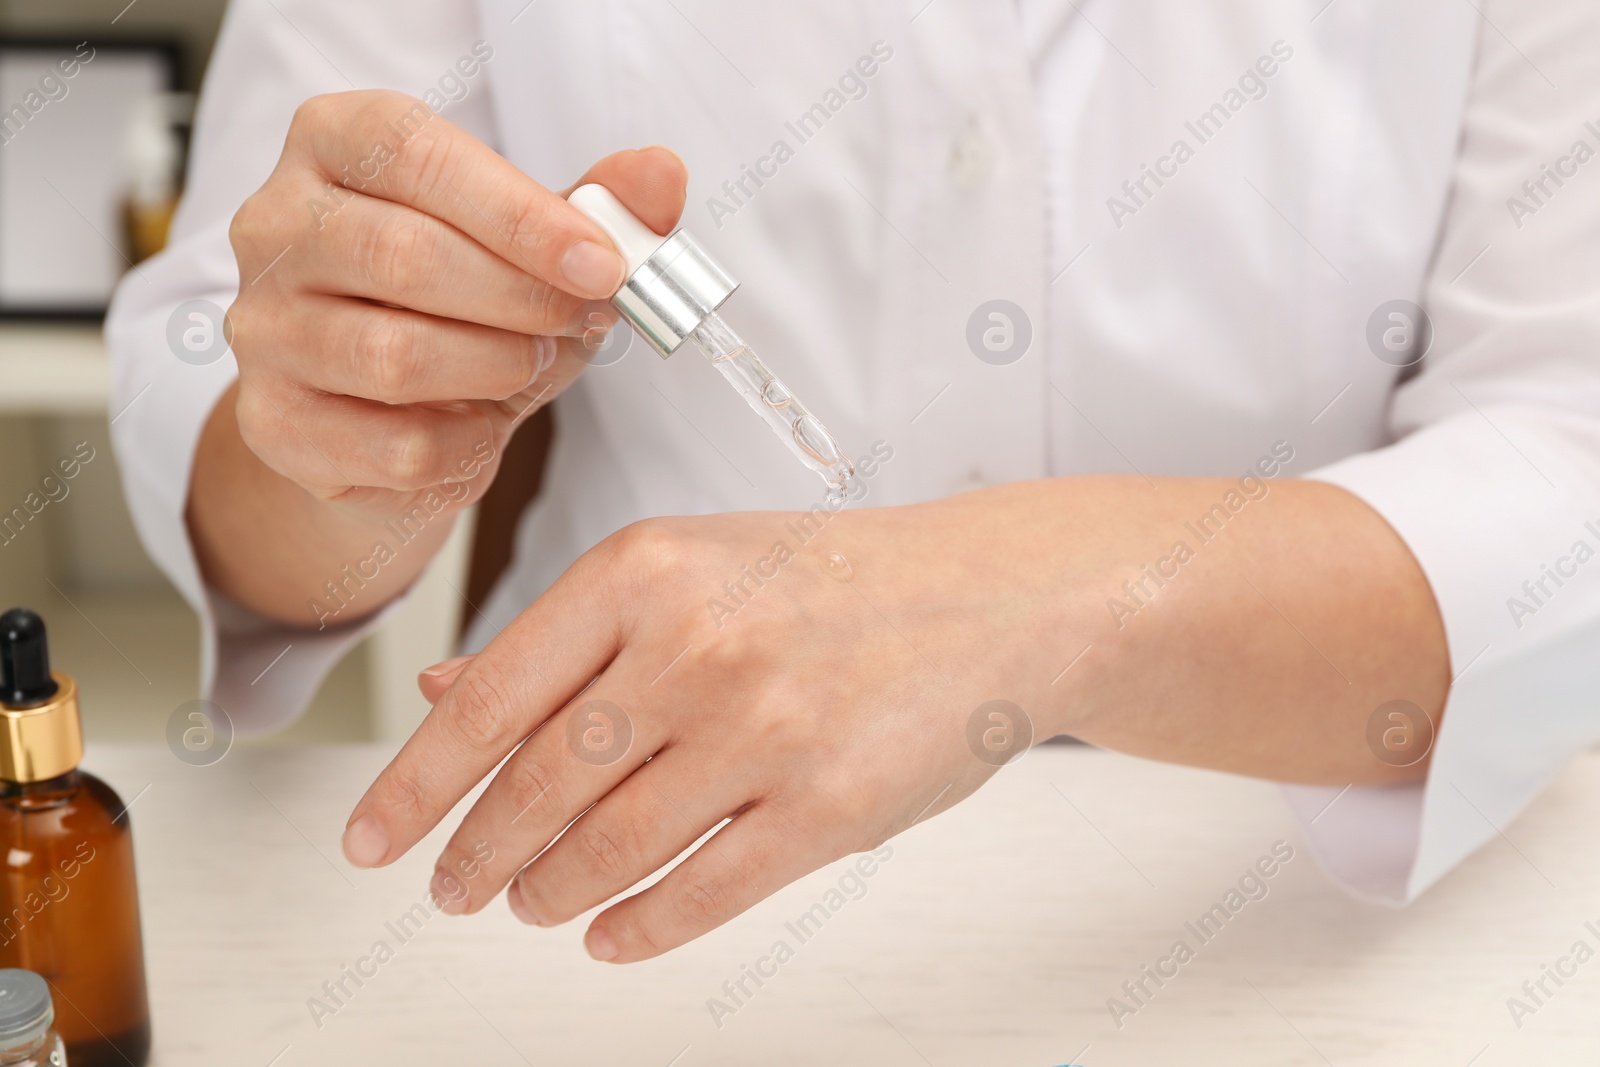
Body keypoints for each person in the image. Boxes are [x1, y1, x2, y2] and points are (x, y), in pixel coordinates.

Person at [108, 0, 1600, 964]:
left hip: (1289, 901)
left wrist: (1039, 600)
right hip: (621, 866)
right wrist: (352, 433)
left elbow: (1567, 465)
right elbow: (243, 469)